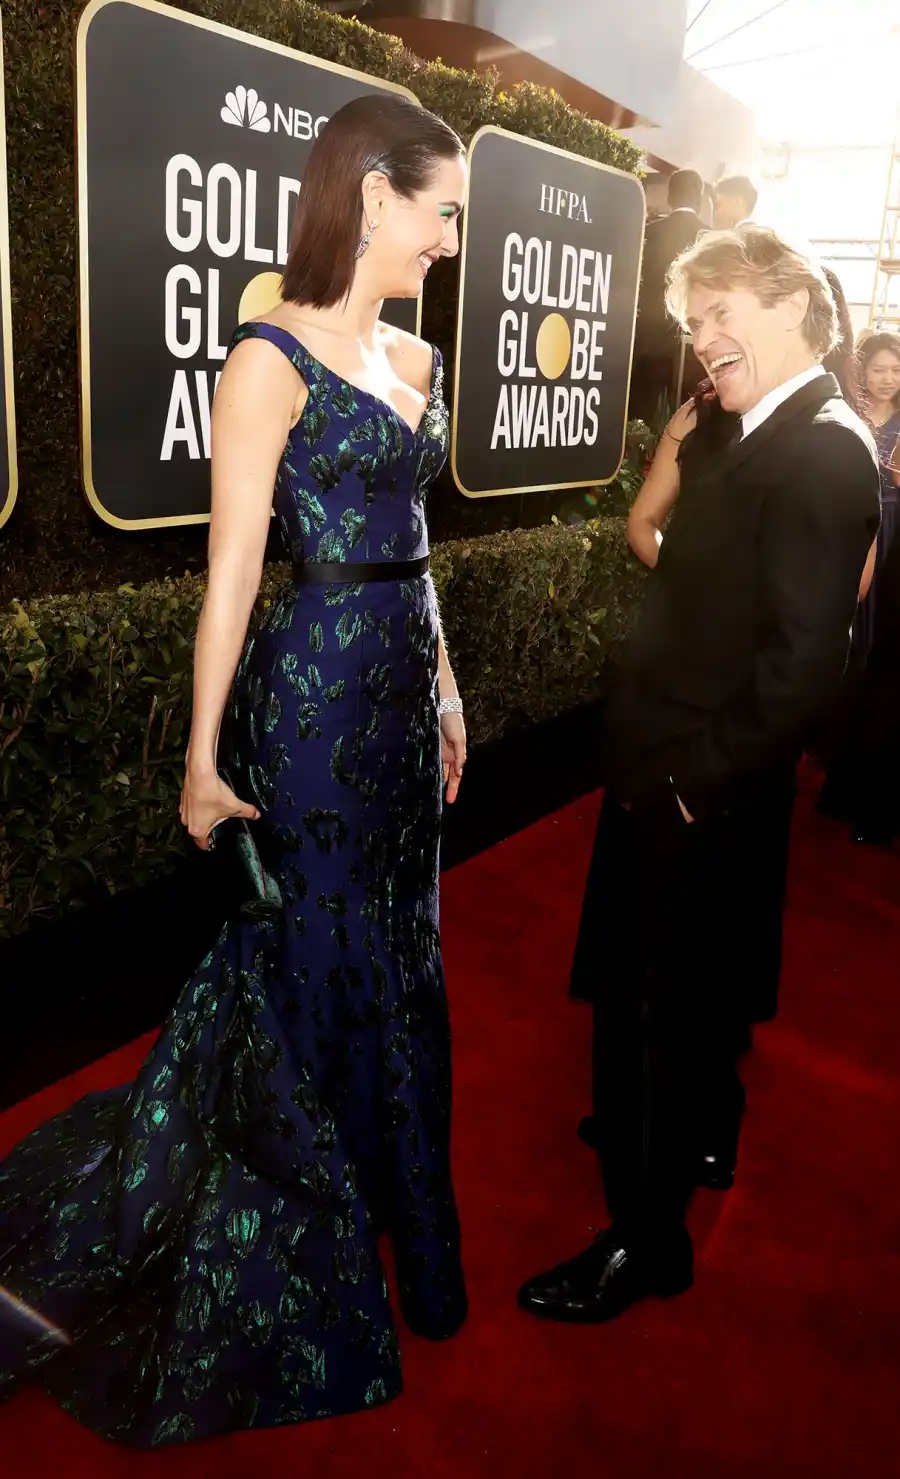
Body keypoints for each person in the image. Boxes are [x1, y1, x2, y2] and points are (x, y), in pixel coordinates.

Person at [0, 93, 469, 1446]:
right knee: (316, 948)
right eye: (440, 211)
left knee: (401, 942)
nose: (449, 238)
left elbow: (416, 549)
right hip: (313, 703)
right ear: (374, 196)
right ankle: (294, 1204)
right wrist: (204, 757)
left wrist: (444, 684)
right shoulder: (266, 360)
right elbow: (234, 574)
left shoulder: (418, 361)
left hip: (395, 695)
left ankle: (397, 1192)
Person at [521, 225, 880, 1325]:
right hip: (681, 770)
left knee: (648, 1012)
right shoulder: (754, 428)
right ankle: (692, 1135)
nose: (704, 340)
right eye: (693, 323)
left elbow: (807, 663)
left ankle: (643, 1242)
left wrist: (696, 781)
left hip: (699, 784)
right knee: (694, 999)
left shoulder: (823, 447)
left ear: (791, 307)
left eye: (721, 313)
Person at [819, 332, 900, 838]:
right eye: (880, 369)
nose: (889, 378)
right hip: (850, 528)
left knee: (878, 641)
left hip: (894, 530)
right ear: (862, 372)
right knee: (840, 627)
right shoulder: (842, 414)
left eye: (896, 370)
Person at [630, 169, 705, 421]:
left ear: (670, 198)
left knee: (641, 413)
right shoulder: (711, 238)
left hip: (647, 338)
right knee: (686, 415)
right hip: (692, 343)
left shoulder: (648, 231)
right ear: (700, 199)